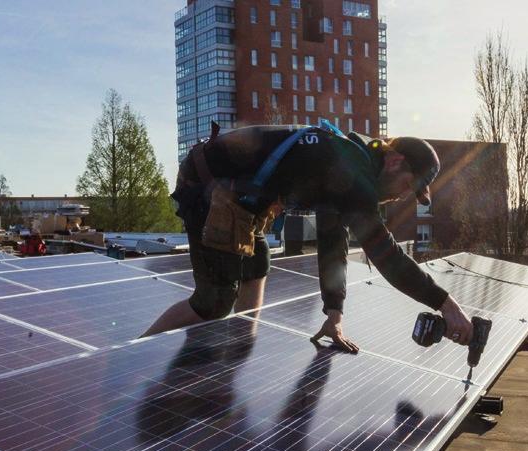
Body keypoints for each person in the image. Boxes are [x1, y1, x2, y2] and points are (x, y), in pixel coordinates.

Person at [140, 123, 473, 351]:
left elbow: (332, 242)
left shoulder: (350, 167)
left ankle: (236, 351)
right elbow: (386, 256)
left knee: (257, 266)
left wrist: (334, 315)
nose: (402, 196)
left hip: (243, 199)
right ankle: (138, 350)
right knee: (213, 302)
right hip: (206, 182)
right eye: (407, 185)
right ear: (395, 161)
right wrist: (447, 304)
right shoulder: (355, 176)